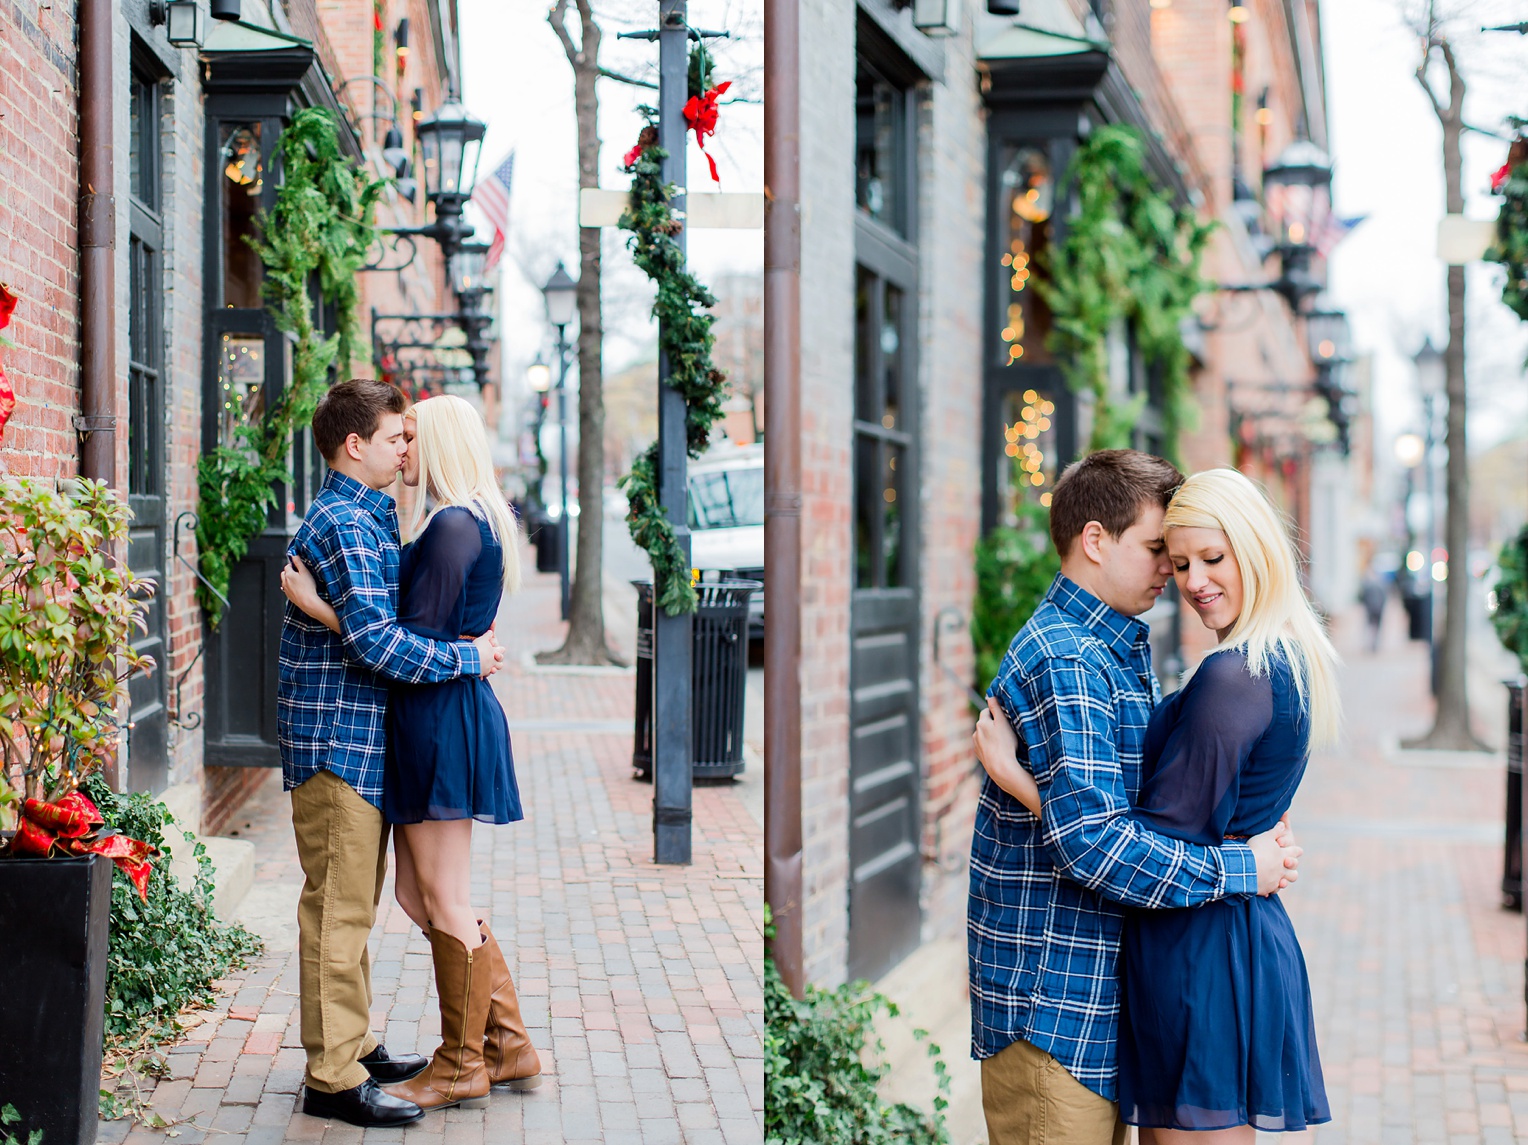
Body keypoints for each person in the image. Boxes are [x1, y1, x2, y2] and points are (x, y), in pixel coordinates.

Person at [976, 466, 1335, 1140]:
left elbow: (1117, 826)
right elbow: (1100, 836)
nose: (1181, 576)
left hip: (1186, 960)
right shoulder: (1077, 657)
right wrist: (1242, 858)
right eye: (1164, 555)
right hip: (1066, 996)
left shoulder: (1222, 668)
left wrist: (1023, 782)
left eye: (1208, 557)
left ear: (1252, 546)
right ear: (1094, 540)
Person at [282, 394, 542, 1115]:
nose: (405, 449)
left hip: (426, 721)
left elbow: (387, 639)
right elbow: (383, 636)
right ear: (358, 443)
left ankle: (467, 1057)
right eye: (397, 436)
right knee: (397, 898)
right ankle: (497, 1042)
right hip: (372, 731)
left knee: (422, 899)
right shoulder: (385, 518)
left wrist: (458, 653)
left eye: (413, 437)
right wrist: (464, 652)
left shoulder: (449, 523)